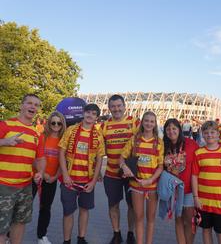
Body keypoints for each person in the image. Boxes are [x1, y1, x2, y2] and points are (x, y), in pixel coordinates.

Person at [0, 94, 45, 244]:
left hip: (25, 187)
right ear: (22, 105)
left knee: (20, 222)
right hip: (3, 185)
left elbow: (40, 158)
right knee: (1, 228)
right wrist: (5, 141)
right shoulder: (6, 125)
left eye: (36, 105)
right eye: (29, 103)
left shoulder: (36, 134)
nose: (33, 107)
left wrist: (40, 172)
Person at [59, 104, 105, 244]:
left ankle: (81, 238)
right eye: (88, 112)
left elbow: (99, 159)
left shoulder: (98, 135)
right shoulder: (71, 130)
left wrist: (93, 181)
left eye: (93, 114)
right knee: (68, 212)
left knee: (84, 210)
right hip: (70, 180)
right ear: (83, 113)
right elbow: (61, 152)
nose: (90, 115)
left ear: (96, 117)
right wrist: (65, 175)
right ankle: (66, 241)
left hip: (87, 180)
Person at [120, 111, 164, 244]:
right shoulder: (134, 139)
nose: (149, 123)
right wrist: (124, 167)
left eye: (152, 121)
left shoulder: (159, 142)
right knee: (139, 218)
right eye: (146, 120)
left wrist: (150, 180)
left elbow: (161, 167)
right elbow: (121, 158)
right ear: (142, 122)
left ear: (155, 124)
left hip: (152, 187)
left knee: (150, 220)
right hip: (136, 186)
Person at [101, 94, 140, 244]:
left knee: (132, 206)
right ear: (109, 108)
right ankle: (116, 233)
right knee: (113, 205)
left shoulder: (135, 122)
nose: (116, 109)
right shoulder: (104, 126)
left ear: (124, 106)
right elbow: (97, 150)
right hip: (111, 173)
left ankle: (131, 233)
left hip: (131, 174)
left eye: (119, 106)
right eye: (113, 106)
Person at [192, 121, 221, 244]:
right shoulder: (199, 153)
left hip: (220, 202)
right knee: (206, 231)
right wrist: (195, 197)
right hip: (203, 201)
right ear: (202, 135)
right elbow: (194, 176)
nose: (209, 135)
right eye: (206, 133)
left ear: (218, 134)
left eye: (212, 132)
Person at [32, 111, 67, 244]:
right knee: (24, 207)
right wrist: (43, 173)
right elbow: (33, 157)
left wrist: (55, 177)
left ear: (62, 124)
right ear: (49, 123)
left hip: (51, 179)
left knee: (46, 208)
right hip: (35, 176)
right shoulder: (41, 137)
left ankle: (41, 236)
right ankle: (8, 235)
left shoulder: (64, 140)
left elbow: (63, 161)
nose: (56, 125)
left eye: (59, 123)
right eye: (53, 122)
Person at [163, 118, 199, 244]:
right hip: (174, 190)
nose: (171, 131)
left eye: (174, 128)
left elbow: (199, 164)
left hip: (189, 189)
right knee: (178, 220)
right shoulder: (164, 146)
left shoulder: (190, 143)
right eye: (168, 129)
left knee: (189, 221)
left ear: (179, 129)